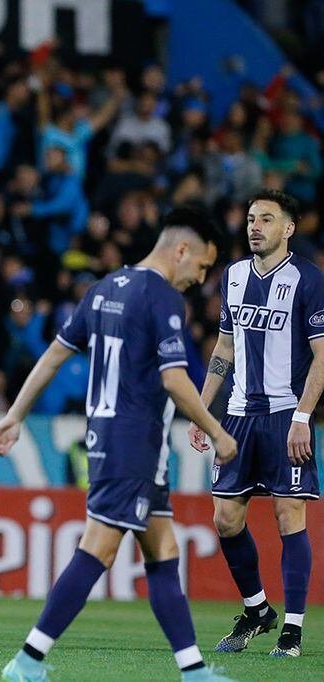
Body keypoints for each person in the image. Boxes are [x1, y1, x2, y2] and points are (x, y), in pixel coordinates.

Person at [0, 207, 238, 682]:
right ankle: (26, 662)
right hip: (133, 442)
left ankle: (193, 670)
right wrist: (217, 430)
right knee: (98, 549)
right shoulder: (163, 296)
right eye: (203, 267)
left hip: (120, 438)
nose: (201, 278)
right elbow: (175, 378)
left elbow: (54, 355)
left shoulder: (103, 288)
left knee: (163, 550)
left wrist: (16, 413)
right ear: (181, 251)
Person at [188, 189, 324, 658]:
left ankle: (292, 629)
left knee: (289, 516)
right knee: (225, 520)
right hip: (239, 416)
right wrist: (204, 411)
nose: (255, 226)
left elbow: (323, 357)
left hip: (288, 415)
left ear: (288, 229)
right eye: (250, 218)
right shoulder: (233, 276)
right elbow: (223, 350)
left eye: (266, 219)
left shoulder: (309, 279)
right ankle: (257, 610)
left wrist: (303, 417)